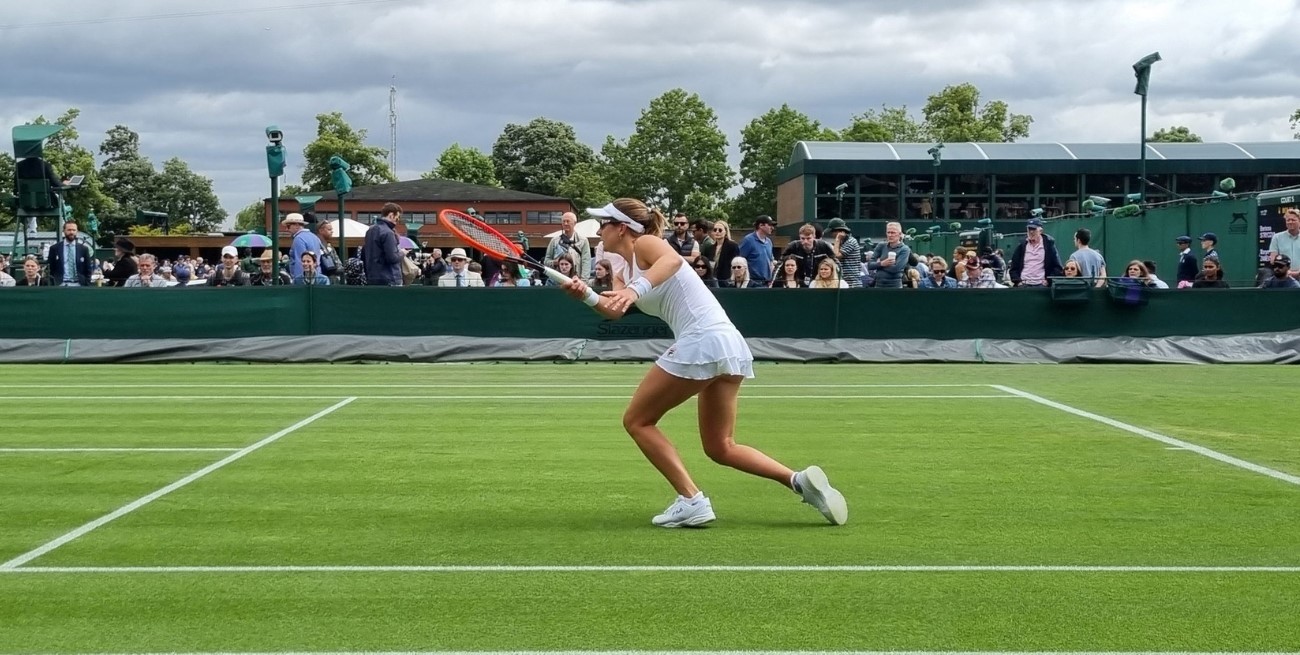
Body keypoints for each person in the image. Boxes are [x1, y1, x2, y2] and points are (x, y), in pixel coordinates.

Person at [560, 198, 847, 529]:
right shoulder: (621, 267)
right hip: (726, 345)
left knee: (637, 420)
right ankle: (798, 481)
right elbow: (615, 307)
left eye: (604, 223)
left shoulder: (647, 243)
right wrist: (585, 294)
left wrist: (637, 290)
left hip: (703, 340)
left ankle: (691, 500)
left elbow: (671, 262)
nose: (599, 230)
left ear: (622, 227)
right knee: (720, 447)